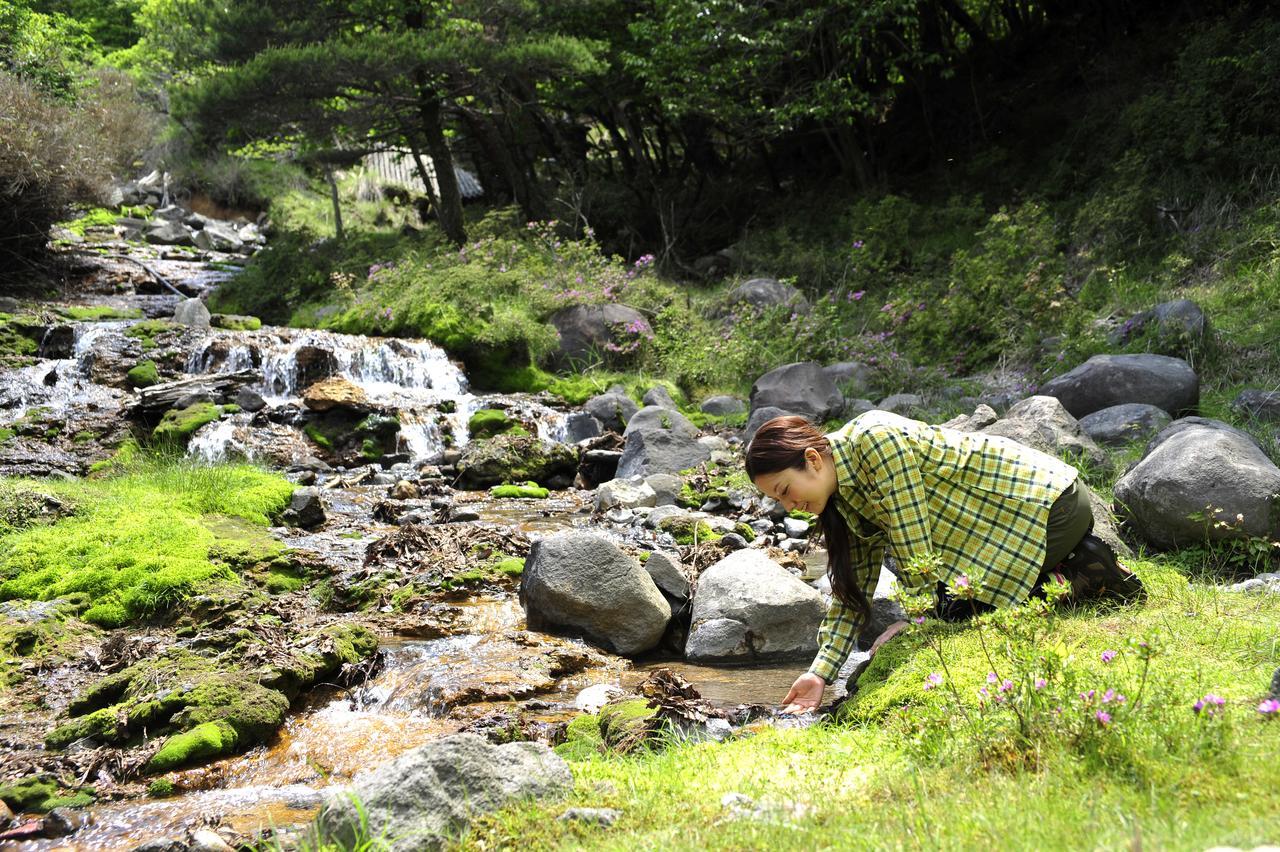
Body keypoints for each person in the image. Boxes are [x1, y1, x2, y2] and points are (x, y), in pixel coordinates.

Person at [745, 410, 1144, 714]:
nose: (790, 506)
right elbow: (853, 585)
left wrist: (919, 618)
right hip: (995, 534)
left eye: (785, 490)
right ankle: (1075, 572)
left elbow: (912, 538)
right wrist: (819, 673)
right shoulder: (840, 497)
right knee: (960, 611)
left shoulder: (875, 441)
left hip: (1045, 506)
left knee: (956, 617)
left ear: (813, 459)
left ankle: (1085, 569)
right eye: (778, 501)